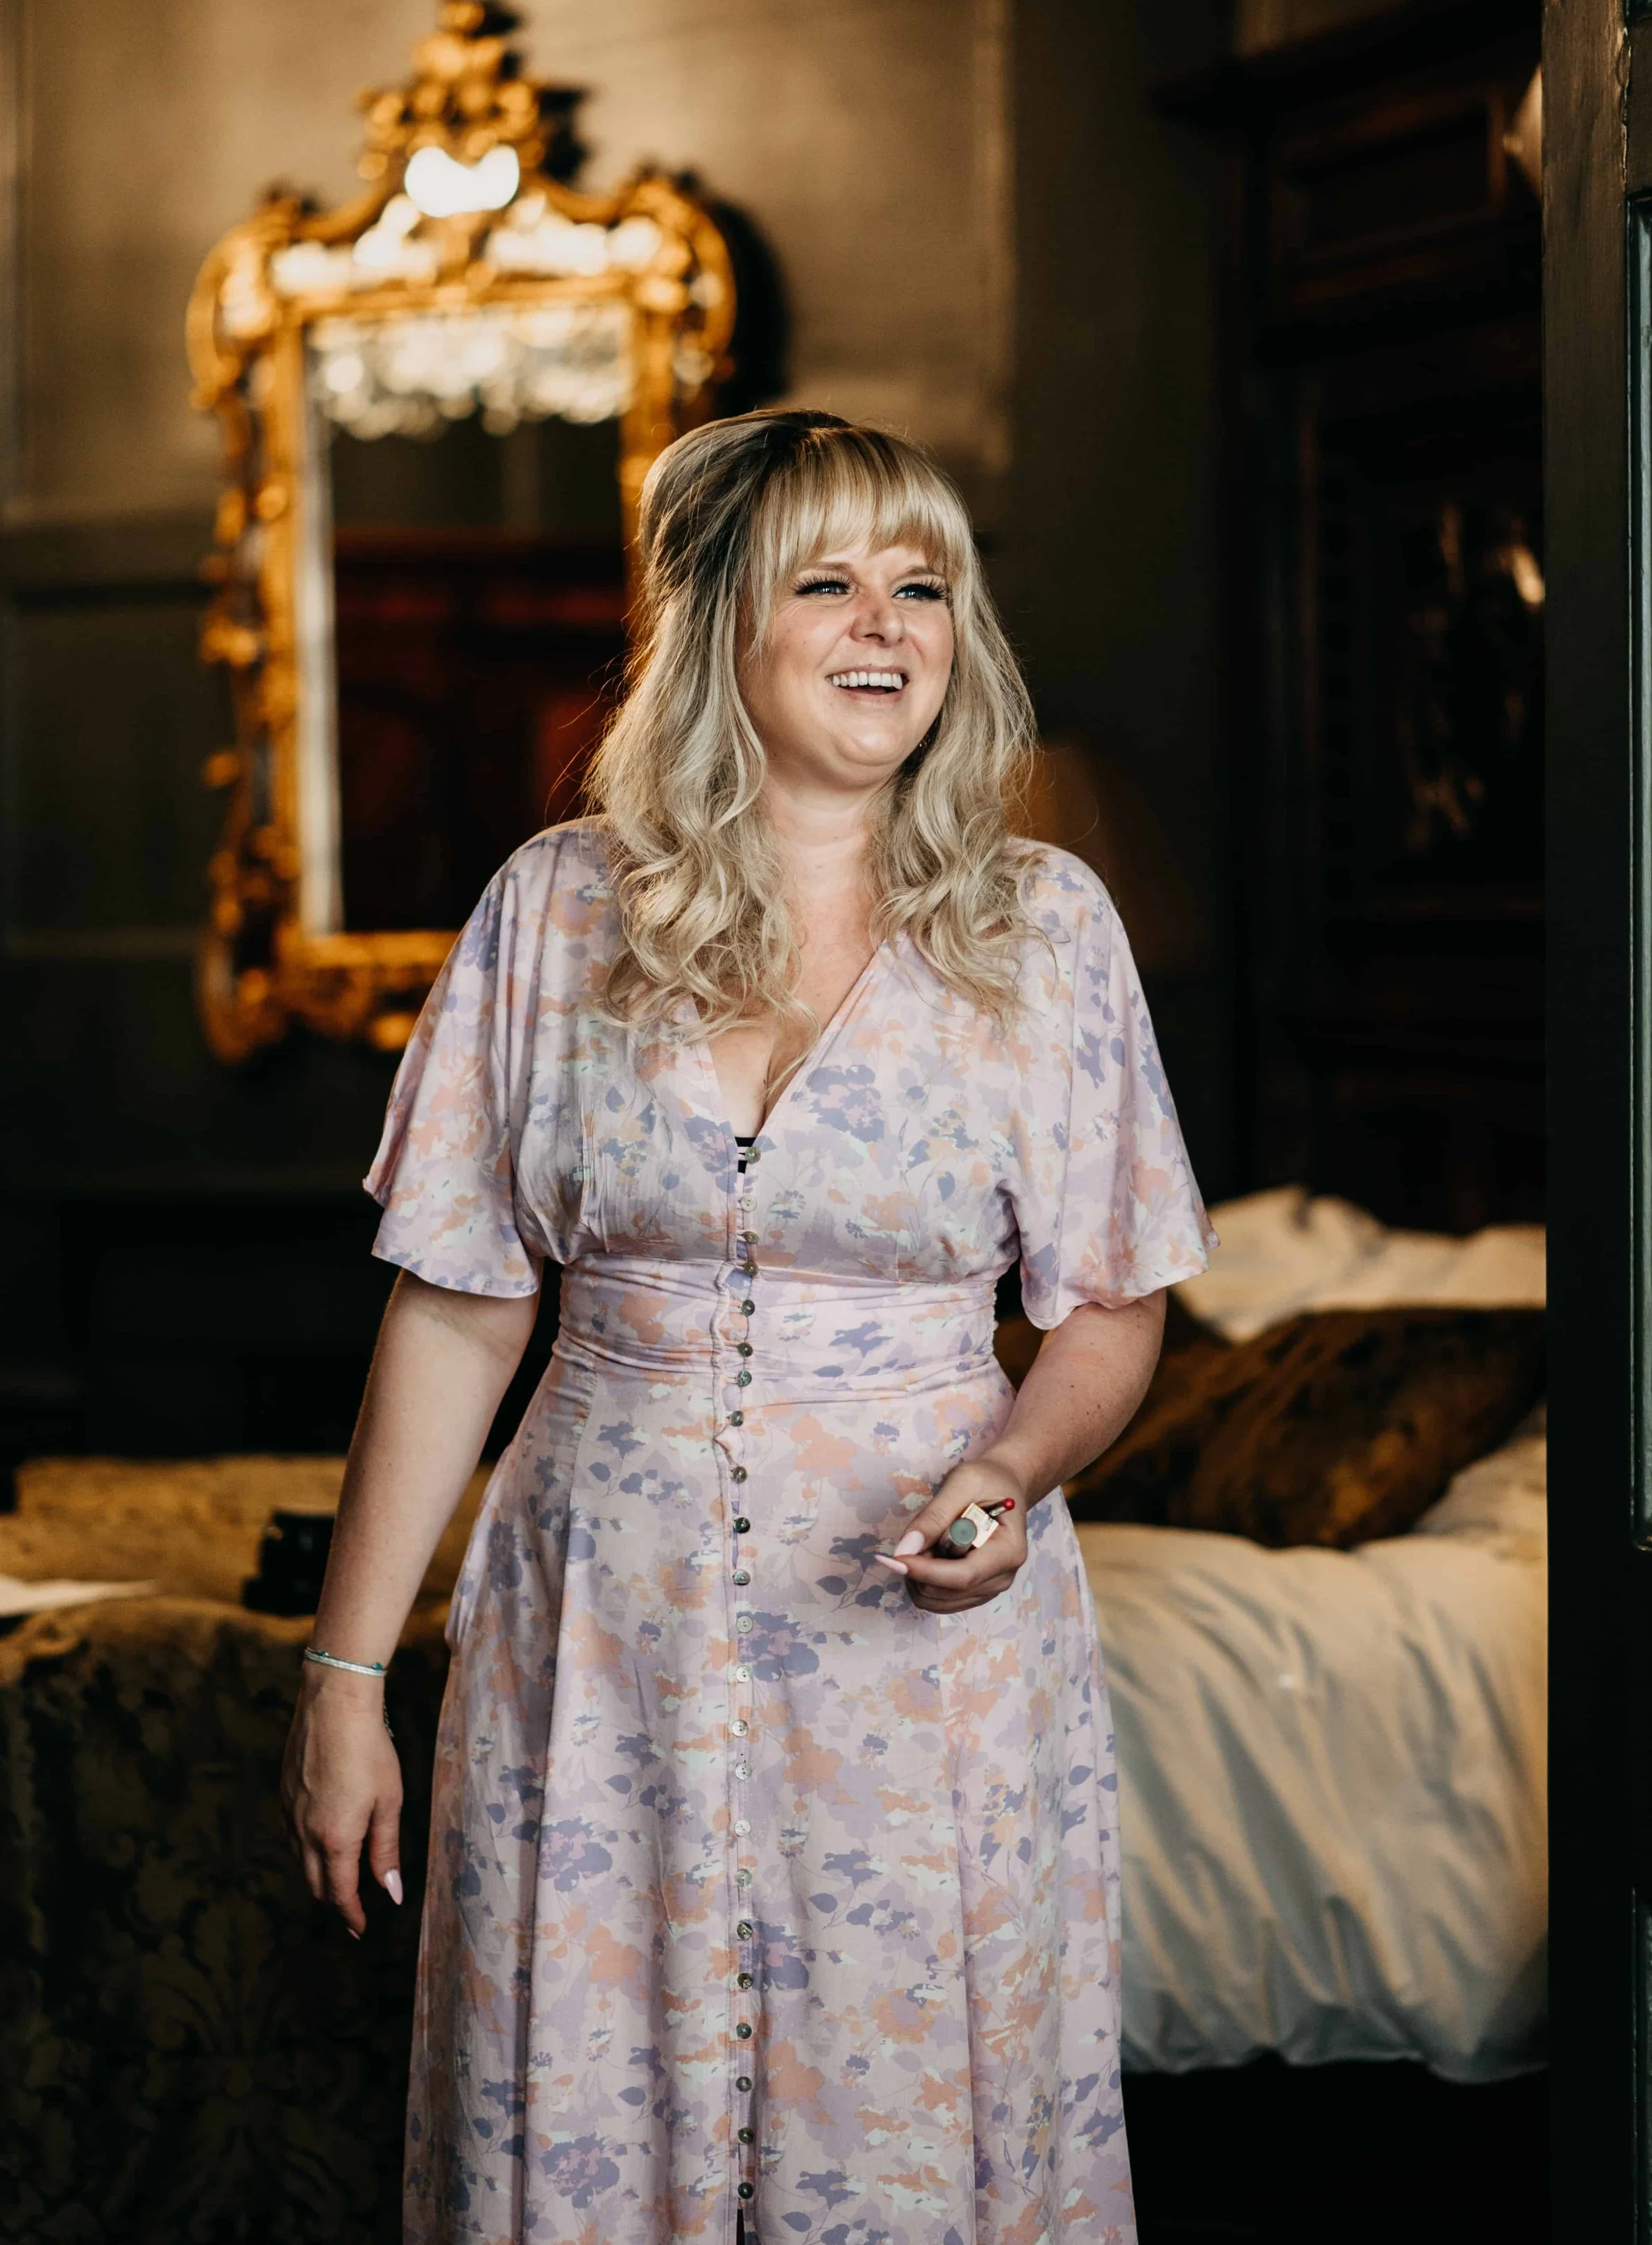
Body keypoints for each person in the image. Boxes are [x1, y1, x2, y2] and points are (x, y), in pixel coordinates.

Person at [282, 409, 1215, 2245]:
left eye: (921, 586)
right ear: (717, 621)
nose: (886, 626)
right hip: (592, 1645)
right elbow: (457, 1311)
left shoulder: (1043, 928)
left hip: (921, 1666)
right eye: (827, 582)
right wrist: (343, 1678)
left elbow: (1112, 1305)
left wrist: (1014, 1471)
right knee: (578, 2109)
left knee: (898, 2133)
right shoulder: (555, 911)